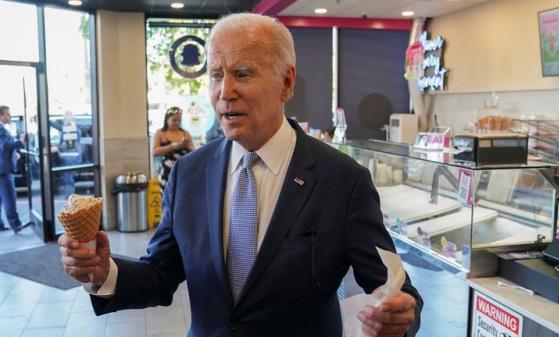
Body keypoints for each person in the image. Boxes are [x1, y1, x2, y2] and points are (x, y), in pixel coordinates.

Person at [59, 13, 422, 337]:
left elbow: (394, 288)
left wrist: (398, 315)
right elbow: (161, 273)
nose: (224, 92)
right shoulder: (189, 173)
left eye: (242, 74)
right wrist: (103, 272)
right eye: (216, 75)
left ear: (286, 83)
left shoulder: (343, 181)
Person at [0, 105, 30, 234]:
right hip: (3, 170)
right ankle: (15, 224)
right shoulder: (1, 129)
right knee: (9, 198)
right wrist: (21, 141)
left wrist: (14, 153)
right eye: (7, 114)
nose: (10, 117)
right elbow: (5, 146)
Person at [151, 106, 195, 190]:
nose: (177, 123)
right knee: (167, 197)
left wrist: (187, 146)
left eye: (179, 120)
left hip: (183, 170)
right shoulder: (160, 133)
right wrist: (172, 146)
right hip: (167, 171)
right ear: (167, 119)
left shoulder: (185, 133)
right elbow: (154, 152)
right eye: (174, 120)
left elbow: (194, 152)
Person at [52, 111, 82, 197]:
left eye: (65, 117)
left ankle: (70, 197)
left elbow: (68, 144)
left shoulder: (72, 129)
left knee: (68, 177)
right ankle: (69, 197)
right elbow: (57, 127)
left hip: (71, 157)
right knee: (66, 177)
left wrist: (57, 148)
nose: (64, 119)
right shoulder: (69, 128)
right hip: (69, 156)